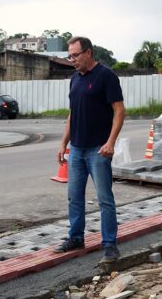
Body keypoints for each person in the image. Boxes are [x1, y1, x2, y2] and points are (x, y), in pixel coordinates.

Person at [54, 36, 126, 263]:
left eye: (76, 55)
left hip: (98, 150)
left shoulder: (106, 76)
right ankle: (76, 237)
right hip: (76, 149)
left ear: (89, 53)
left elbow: (120, 111)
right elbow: (72, 114)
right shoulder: (74, 79)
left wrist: (111, 142)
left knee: (105, 199)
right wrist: (63, 143)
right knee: (74, 197)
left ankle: (110, 245)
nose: (72, 60)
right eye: (70, 56)